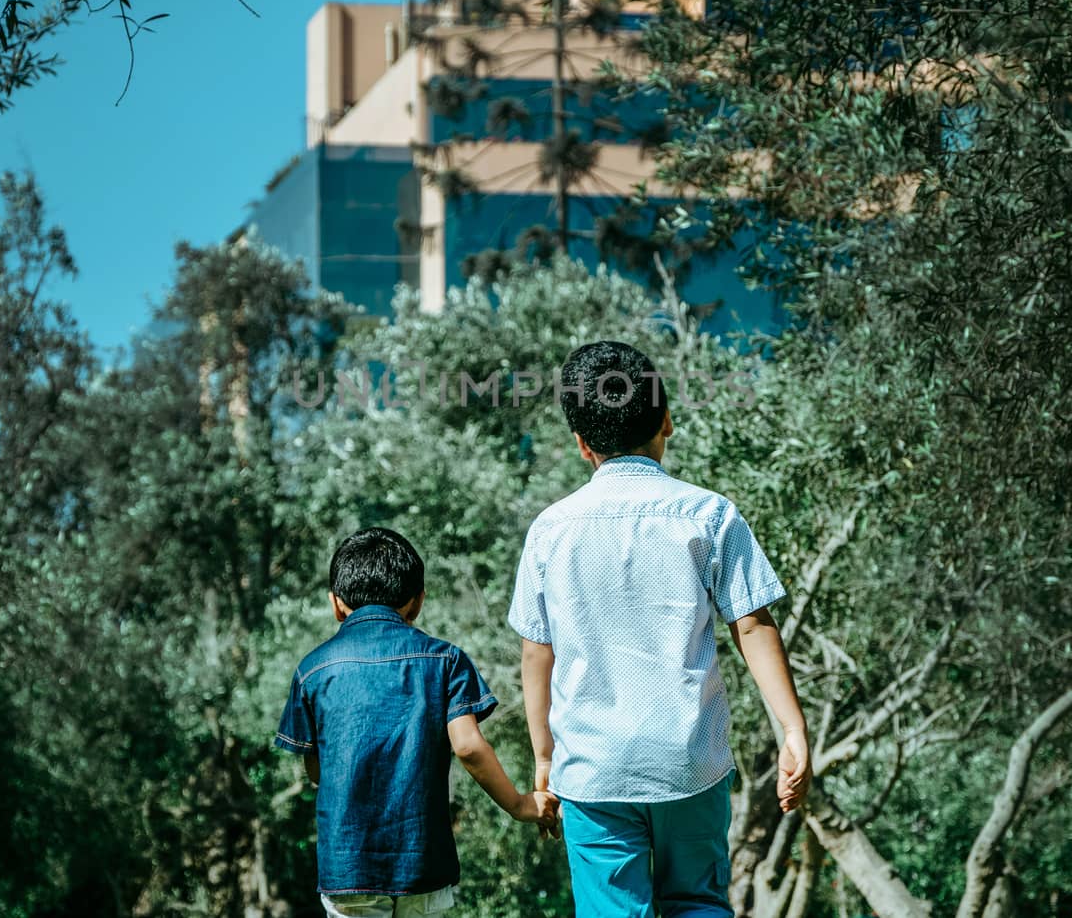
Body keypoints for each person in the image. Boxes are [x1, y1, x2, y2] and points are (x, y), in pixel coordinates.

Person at [509, 340, 812, 918]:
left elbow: (535, 654)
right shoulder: (709, 514)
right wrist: (791, 727)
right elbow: (753, 624)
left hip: (592, 769)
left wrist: (545, 761)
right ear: (667, 420)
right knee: (697, 903)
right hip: (688, 758)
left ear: (581, 444)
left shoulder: (550, 530)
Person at [277, 526, 558, 917]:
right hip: (422, 861)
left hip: (348, 864)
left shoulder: (312, 671)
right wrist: (519, 805)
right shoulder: (445, 661)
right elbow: (468, 747)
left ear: (335, 603)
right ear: (417, 601)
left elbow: (317, 768)